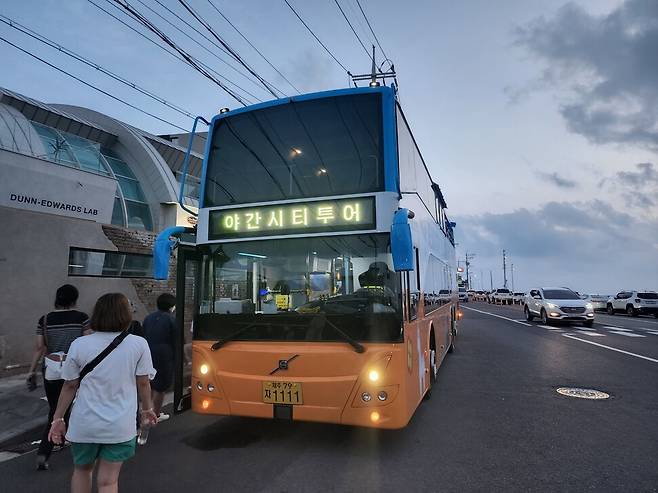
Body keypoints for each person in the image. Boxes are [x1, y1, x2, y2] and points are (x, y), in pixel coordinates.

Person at [49, 293, 157, 493]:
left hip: (84, 424)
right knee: (108, 482)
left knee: (82, 471)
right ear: (125, 314)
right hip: (120, 425)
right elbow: (143, 383)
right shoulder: (138, 344)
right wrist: (147, 409)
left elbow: (69, 386)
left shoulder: (80, 344)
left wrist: (58, 419)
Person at [26, 284, 90, 471]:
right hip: (74, 371)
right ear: (74, 299)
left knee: (56, 408)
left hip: (51, 371)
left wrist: (32, 371)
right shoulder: (81, 318)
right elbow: (87, 342)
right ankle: (47, 449)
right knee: (63, 409)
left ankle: (54, 443)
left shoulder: (44, 319)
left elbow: (39, 347)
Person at [142, 293, 176, 422]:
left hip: (148, 354)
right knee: (161, 387)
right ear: (172, 307)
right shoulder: (171, 320)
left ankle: (147, 409)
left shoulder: (148, 318)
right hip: (165, 356)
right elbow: (176, 341)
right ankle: (155, 414)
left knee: (150, 382)